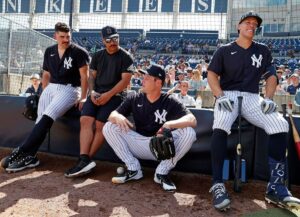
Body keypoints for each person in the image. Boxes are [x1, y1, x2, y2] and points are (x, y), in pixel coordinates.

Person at [207, 11, 300, 211]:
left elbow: (271, 76)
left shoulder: (263, 49)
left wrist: (268, 98)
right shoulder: (224, 50)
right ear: (238, 27)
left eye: (255, 24)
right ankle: (217, 184)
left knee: (279, 124)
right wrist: (219, 95)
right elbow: (212, 74)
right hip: (228, 95)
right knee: (221, 123)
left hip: (251, 96)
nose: (252, 25)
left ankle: (275, 186)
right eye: (247, 22)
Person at [1, 22, 90, 172]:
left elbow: (85, 77)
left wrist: (83, 97)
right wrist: (43, 92)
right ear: (55, 36)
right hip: (51, 88)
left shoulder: (79, 52)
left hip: (70, 89)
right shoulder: (49, 51)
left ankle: (21, 151)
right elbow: (46, 74)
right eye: (62, 36)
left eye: (68, 36)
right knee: (39, 120)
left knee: (47, 116)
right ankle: (31, 157)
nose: (66, 39)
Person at [102, 64, 197, 191]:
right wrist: (117, 117)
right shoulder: (135, 97)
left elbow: (192, 120)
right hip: (139, 143)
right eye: (143, 77)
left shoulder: (169, 100)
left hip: (163, 148)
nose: (143, 80)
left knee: (189, 132)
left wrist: (168, 125)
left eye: (147, 78)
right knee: (109, 127)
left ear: (158, 82)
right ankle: (133, 168)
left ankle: (161, 172)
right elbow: (111, 115)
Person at [64, 26, 134, 178]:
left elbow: (125, 82)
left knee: (101, 125)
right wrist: (93, 92)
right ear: (103, 41)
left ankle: (86, 160)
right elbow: (91, 77)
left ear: (118, 38)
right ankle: (83, 159)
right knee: (85, 119)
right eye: (108, 40)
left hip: (116, 96)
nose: (112, 42)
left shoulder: (126, 56)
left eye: (115, 38)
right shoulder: (97, 55)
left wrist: (108, 95)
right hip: (97, 93)